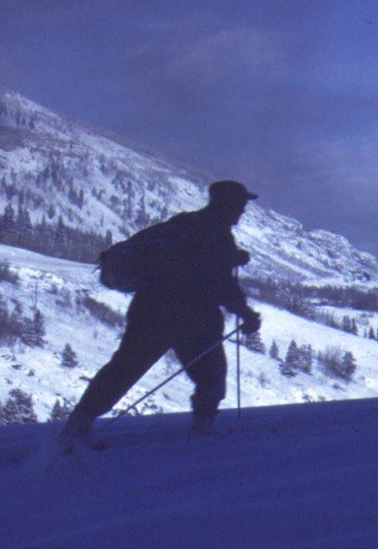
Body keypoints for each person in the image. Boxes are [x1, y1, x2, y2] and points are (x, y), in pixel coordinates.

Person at [58, 180, 263, 447]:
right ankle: (202, 435)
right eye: (241, 204)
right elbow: (221, 282)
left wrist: (230, 256)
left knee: (124, 369)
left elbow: (186, 261)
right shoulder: (217, 233)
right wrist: (246, 314)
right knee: (211, 375)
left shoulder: (183, 224)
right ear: (229, 204)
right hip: (193, 315)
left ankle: (77, 428)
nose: (243, 211)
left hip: (149, 308)